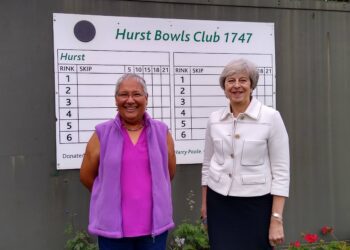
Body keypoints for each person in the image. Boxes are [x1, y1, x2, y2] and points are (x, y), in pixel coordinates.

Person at [201, 58, 290, 250]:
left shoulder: (271, 117)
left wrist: (276, 218)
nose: (236, 86)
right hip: (219, 203)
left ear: (252, 85)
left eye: (243, 80)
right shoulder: (214, 119)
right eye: (230, 81)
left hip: (256, 205)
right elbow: (208, 165)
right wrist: (204, 206)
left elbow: (281, 172)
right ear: (224, 87)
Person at [80, 73, 176, 250]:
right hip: (113, 232)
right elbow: (86, 175)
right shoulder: (102, 134)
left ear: (146, 99)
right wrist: (107, 194)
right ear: (116, 99)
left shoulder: (161, 133)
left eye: (137, 94)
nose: (130, 100)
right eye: (124, 94)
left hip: (154, 230)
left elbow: (168, 173)